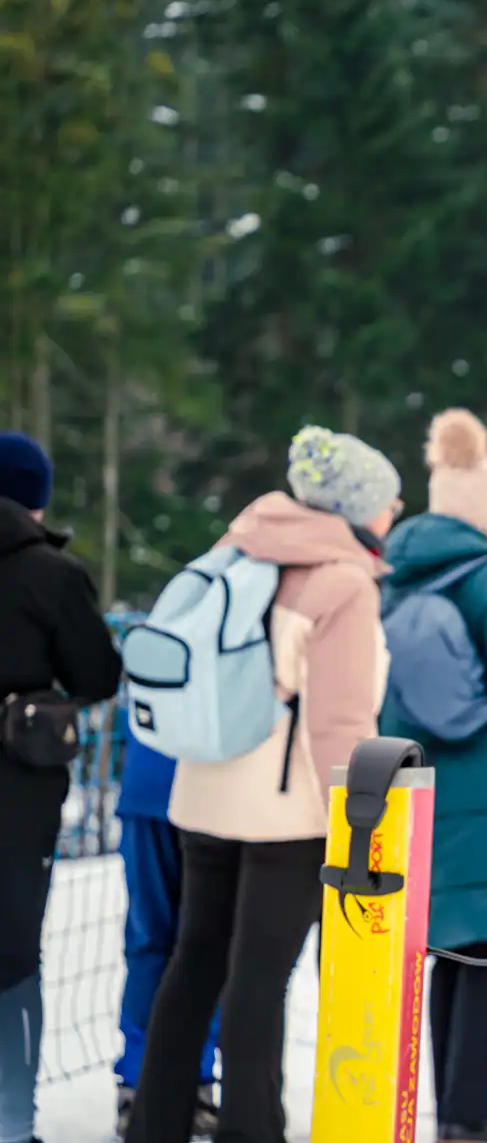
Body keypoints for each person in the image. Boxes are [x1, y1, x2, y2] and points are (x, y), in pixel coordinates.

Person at [126, 426, 398, 1143]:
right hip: (287, 816)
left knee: (194, 964)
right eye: (386, 499)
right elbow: (340, 722)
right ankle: (252, 1131)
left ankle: (155, 1125)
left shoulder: (234, 550)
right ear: (355, 508)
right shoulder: (342, 581)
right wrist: (360, 821)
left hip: (204, 795)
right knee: (258, 981)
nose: (395, 510)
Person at [379, 409, 487, 1143]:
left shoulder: (397, 573)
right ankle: (468, 1116)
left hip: (421, 780)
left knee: (448, 949)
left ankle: (448, 1111)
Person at [0, 431, 123, 1143]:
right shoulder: (49, 574)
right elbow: (98, 677)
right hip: (15, 799)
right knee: (13, 956)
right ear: (37, 497)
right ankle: (13, 1124)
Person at [113, 711, 220, 1138]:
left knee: (150, 942)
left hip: (150, 779)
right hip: (213, 790)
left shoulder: (143, 639)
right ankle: (193, 1081)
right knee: (204, 945)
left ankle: (139, 1085)